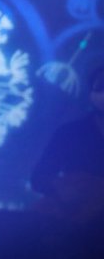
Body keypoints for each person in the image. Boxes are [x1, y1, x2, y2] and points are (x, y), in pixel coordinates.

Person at [31, 65, 104, 254]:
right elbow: (39, 178)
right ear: (91, 93)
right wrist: (63, 190)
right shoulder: (69, 133)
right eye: (100, 86)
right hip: (75, 235)